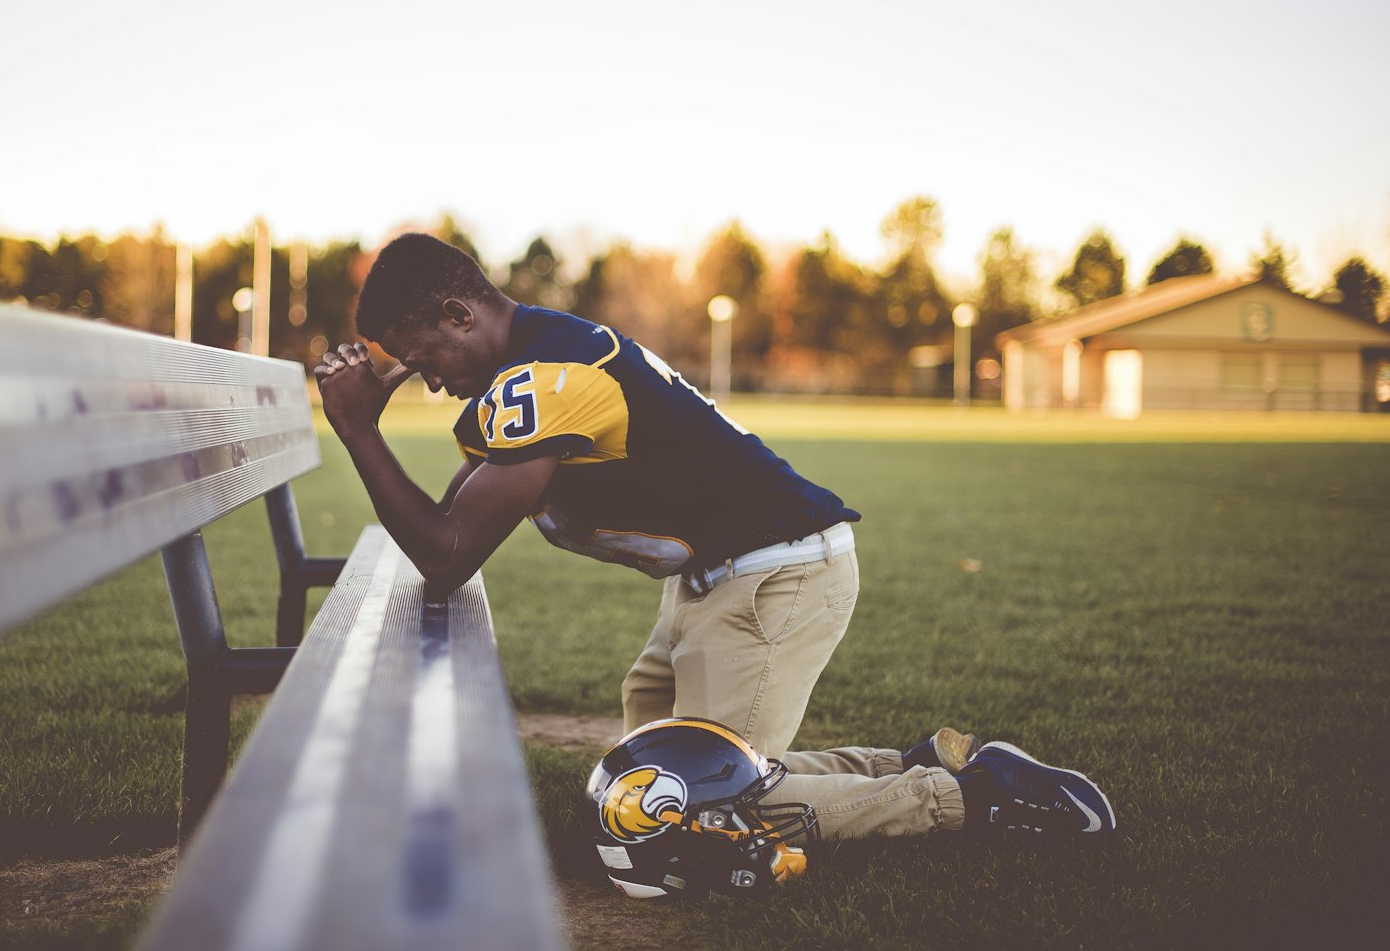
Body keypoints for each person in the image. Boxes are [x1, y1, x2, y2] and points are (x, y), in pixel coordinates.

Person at [314, 233, 1115, 844]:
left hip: (774, 576)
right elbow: (452, 526)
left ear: (460, 314)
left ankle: (974, 799)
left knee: (698, 807)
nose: (428, 378)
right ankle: (919, 765)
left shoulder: (546, 377)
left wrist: (357, 432)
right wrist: (369, 429)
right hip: (722, 577)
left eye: (425, 358)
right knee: (652, 782)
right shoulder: (532, 363)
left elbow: (448, 554)